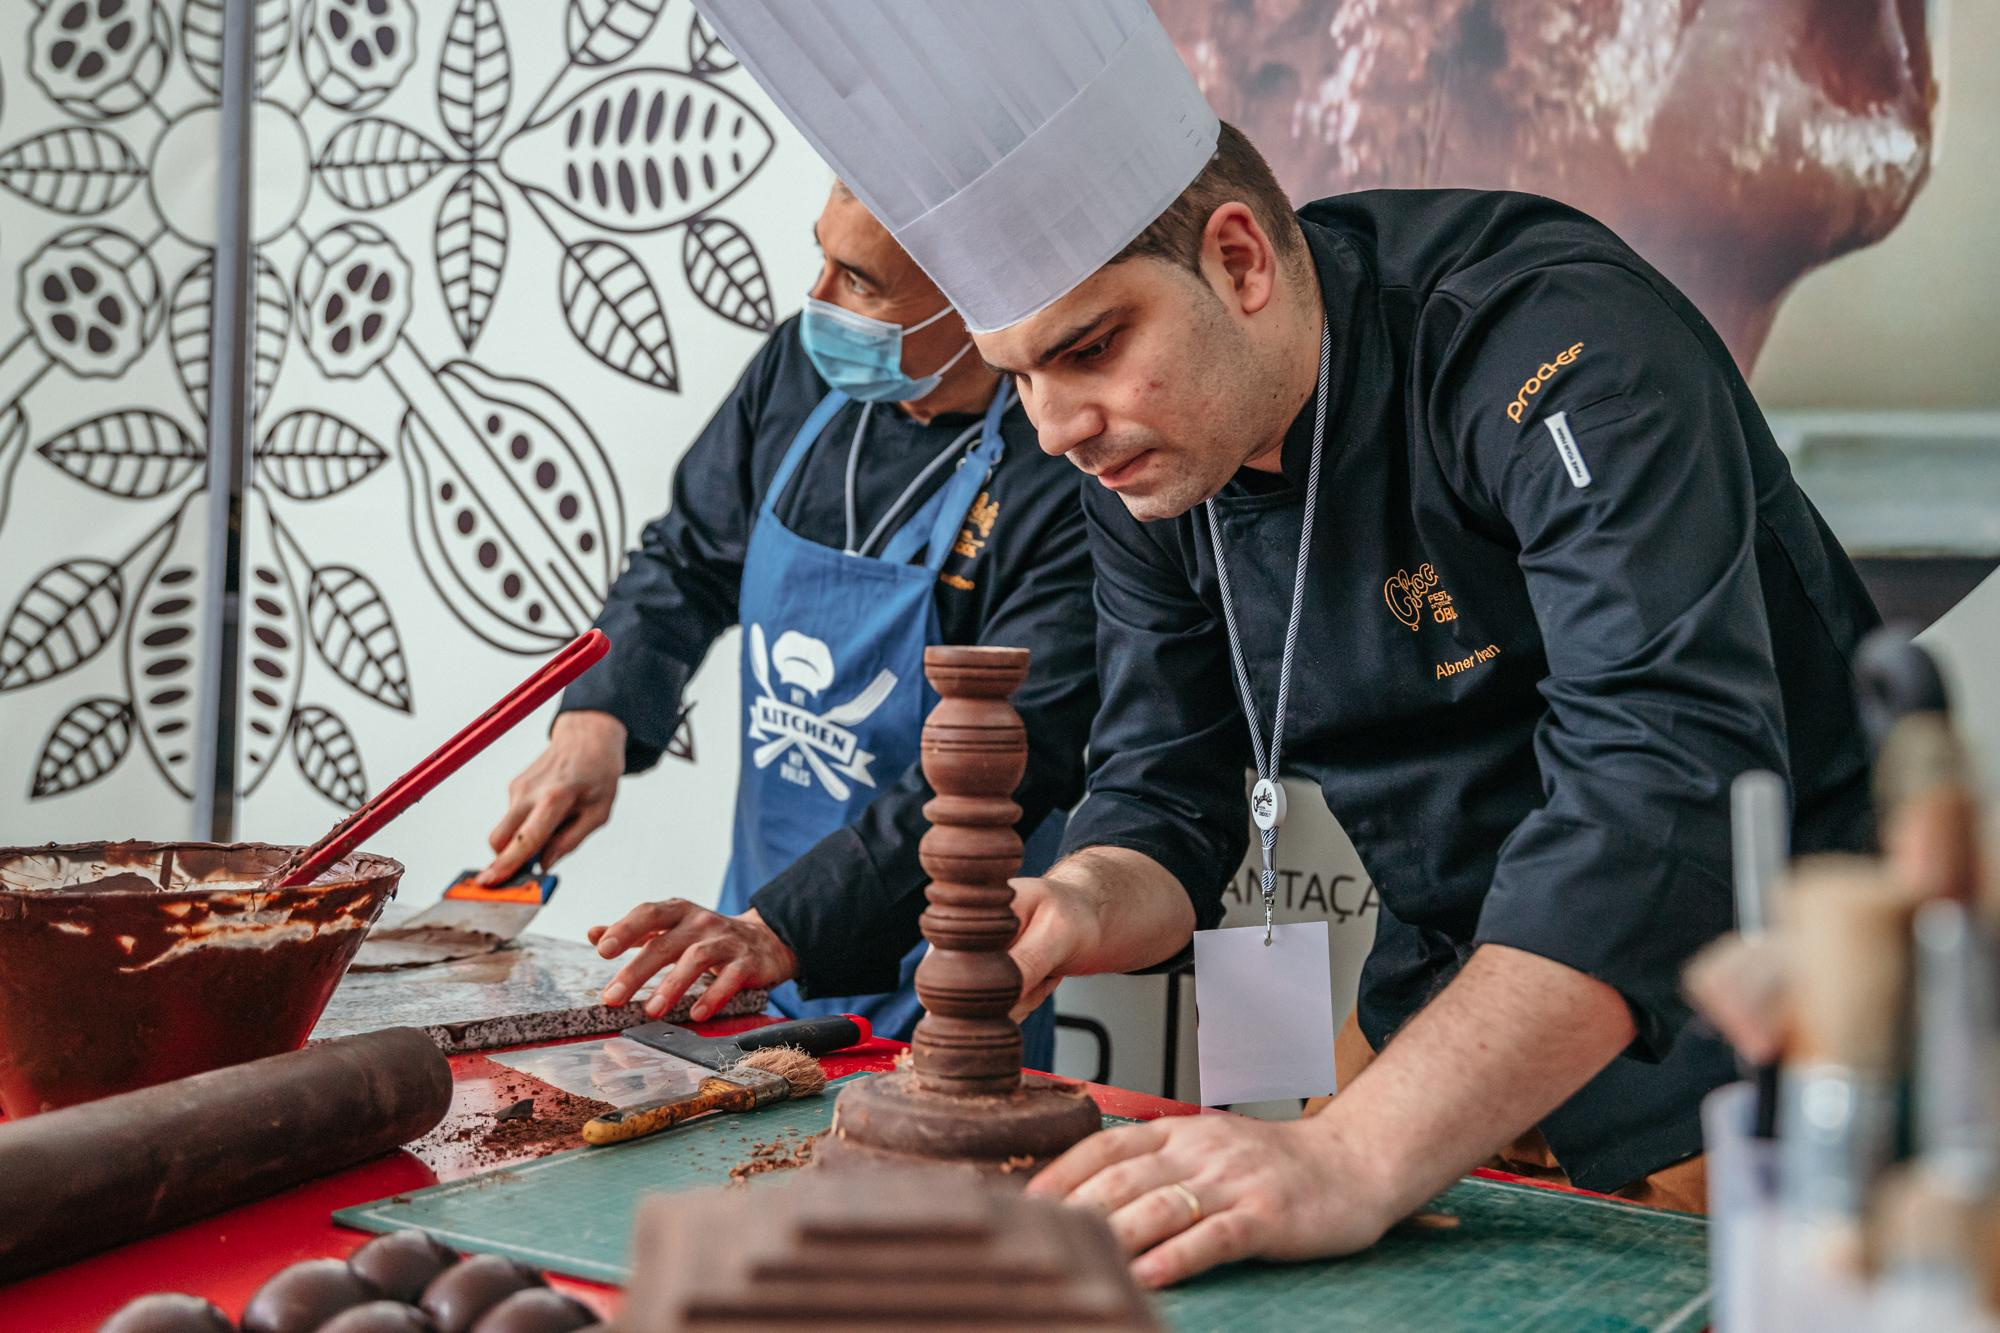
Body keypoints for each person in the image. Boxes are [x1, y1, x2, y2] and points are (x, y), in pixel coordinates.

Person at [697, 0, 1881, 1288]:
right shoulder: (1149, 462)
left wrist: (1349, 1155)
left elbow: (1661, 788)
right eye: (1020, 373)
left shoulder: (1548, 342)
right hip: (1447, 1018)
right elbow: (1165, 788)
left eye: (1090, 348)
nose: (1058, 428)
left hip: (1766, 1034)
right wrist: (1080, 903)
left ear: (1241, 260)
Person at [479, 183, 1098, 1068]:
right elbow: (688, 557)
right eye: (823, 257)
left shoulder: (1063, 474)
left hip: (947, 976)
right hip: (742, 939)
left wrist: (786, 924)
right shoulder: (804, 373)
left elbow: (1014, 751)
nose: (817, 301)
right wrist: (600, 716)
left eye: (858, 281)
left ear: (978, 301)